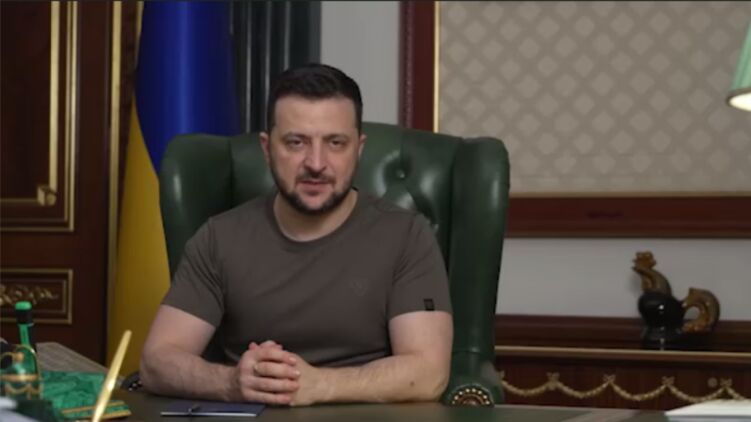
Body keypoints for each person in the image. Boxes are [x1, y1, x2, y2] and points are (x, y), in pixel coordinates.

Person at [139, 63, 453, 406]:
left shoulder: (406, 235)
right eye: (296, 142)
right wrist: (230, 383)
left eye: (335, 143)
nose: (316, 163)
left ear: (358, 149)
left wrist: (322, 386)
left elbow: (429, 373)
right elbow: (156, 363)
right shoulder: (219, 237)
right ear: (267, 148)